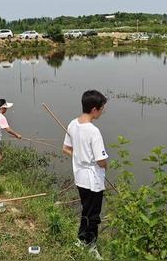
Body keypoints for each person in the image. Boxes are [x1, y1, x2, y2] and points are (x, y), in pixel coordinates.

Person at [62, 90, 108, 260]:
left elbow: (66, 149)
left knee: (86, 210)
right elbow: (101, 159)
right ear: (94, 109)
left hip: (79, 177)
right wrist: (104, 167)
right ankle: (91, 246)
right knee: (94, 215)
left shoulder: (73, 124)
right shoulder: (93, 131)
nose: (103, 111)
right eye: (102, 108)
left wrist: (79, 155)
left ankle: (81, 239)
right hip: (93, 180)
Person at [0, 99, 22, 171]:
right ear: (3, 108)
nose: (7, 110)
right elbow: (8, 129)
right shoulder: (1, 117)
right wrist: (17, 135)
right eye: (6, 108)